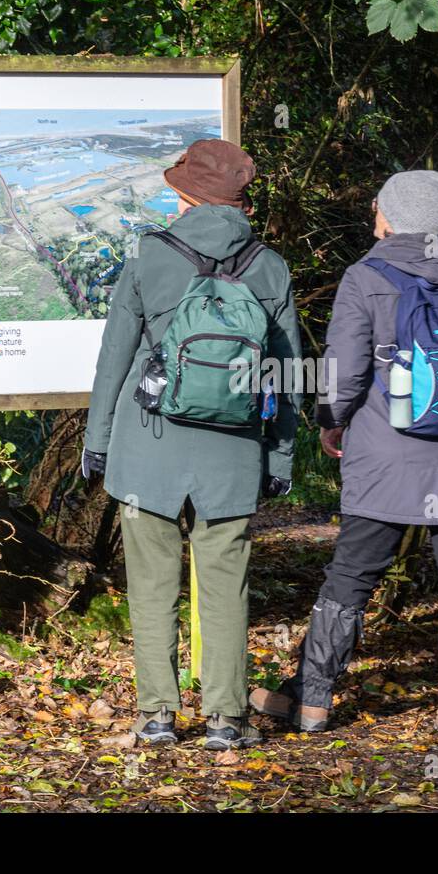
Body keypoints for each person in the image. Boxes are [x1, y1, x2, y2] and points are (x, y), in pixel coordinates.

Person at [249, 170, 438, 739]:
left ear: (390, 216)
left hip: (382, 457)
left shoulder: (364, 275)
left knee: (350, 577)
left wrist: (331, 423)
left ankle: (314, 701)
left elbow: (342, 373)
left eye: (378, 206)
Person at [82, 139, 301, 749]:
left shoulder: (150, 255)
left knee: (151, 582)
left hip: (148, 442)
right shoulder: (270, 265)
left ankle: (157, 715)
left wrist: (97, 441)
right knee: (226, 584)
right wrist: (279, 455)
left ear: (185, 194)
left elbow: (114, 358)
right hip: (232, 447)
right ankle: (227, 719)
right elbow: (286, 373)